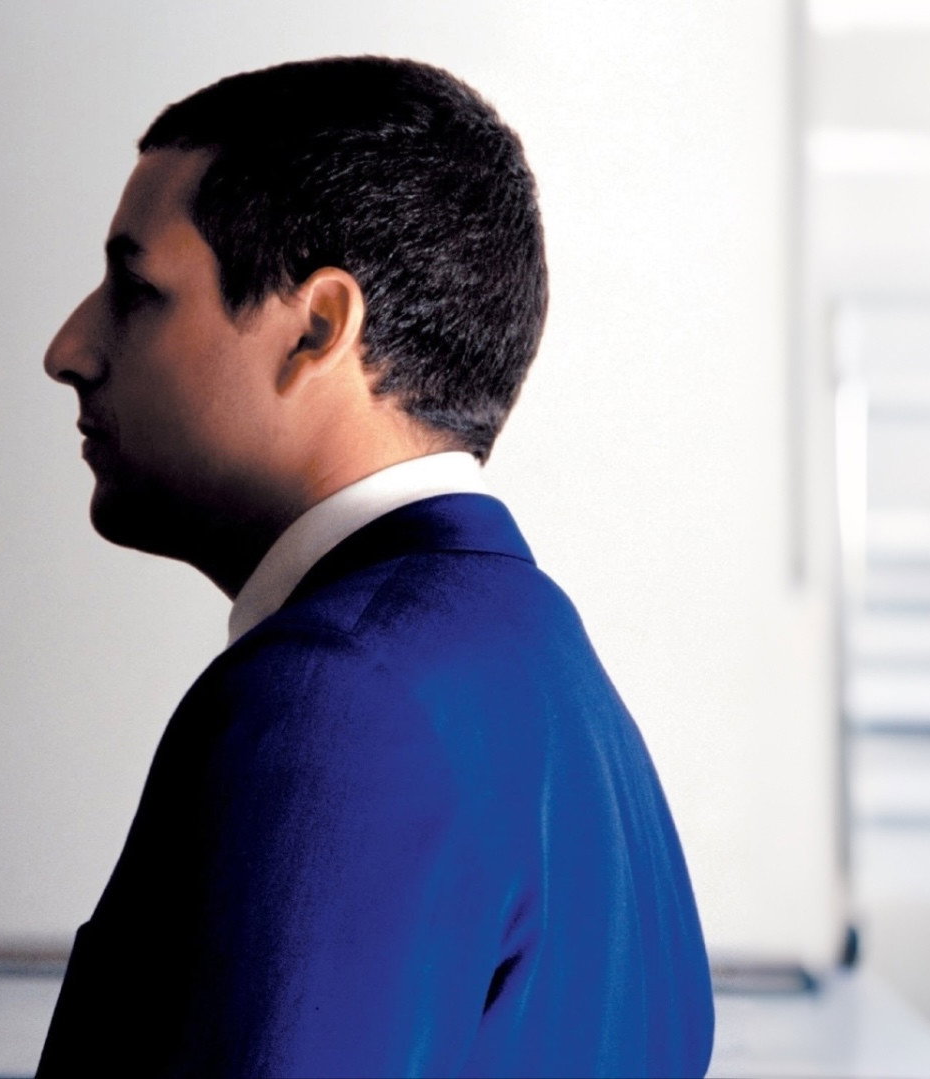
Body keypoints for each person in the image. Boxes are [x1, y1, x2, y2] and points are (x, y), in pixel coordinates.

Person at [36, 55, 713, 1078]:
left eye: (137, 290)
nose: (69, 347)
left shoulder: (332, 697)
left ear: (316, 328)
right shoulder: (559, 692)